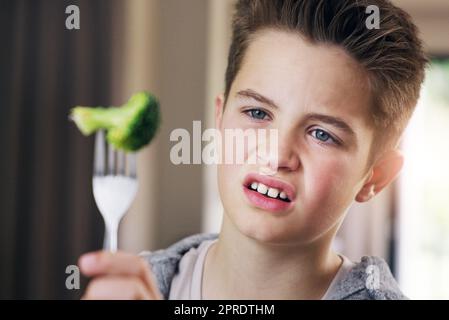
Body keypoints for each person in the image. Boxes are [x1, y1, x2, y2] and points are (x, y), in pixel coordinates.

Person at [78, 0, 427, 300]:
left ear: (375, 176)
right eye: (257, 113)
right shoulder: (137, 287)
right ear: (220, 119)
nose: (276, 156)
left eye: (321, 134)